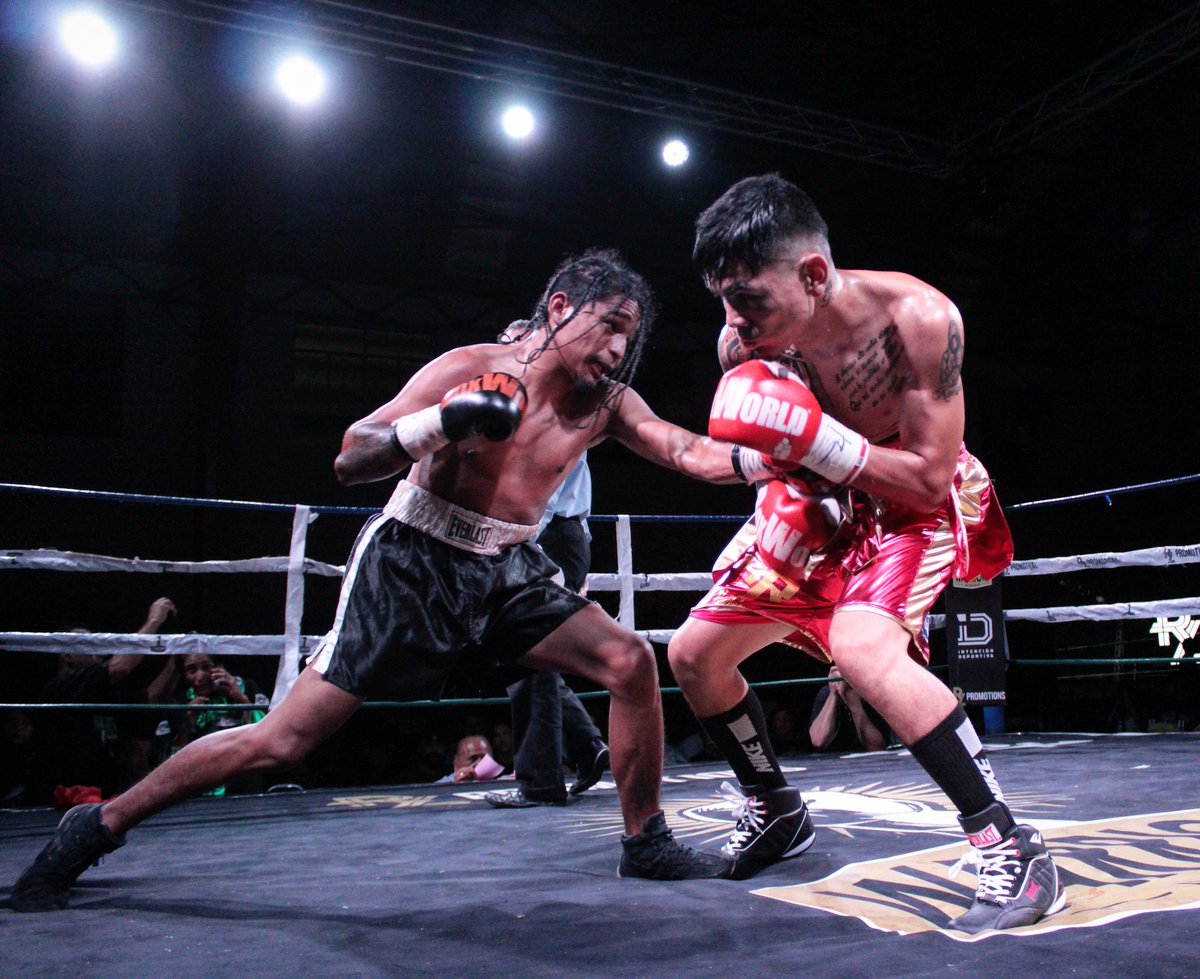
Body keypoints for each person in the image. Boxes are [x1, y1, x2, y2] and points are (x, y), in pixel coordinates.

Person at [12, 248, 748, 913]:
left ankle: (645, 840)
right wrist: (442, 423)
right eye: (610, 324)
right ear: (560, 308)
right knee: (281, 741)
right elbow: (352, 453)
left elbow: (687, 452)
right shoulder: (469, 366)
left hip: (507, 567)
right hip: (412, 562)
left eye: (633, 334)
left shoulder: (607, 405)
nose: (620, 347)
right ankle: (99, 822)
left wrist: (787, 454)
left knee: (628, 661)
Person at [666, 175, 1063, 933]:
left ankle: (1010, 841)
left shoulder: (918, 320)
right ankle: (777, 806)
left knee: (861, 647)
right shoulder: (745, 341)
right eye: (724, 299)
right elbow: (772, 451)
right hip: (819, 498)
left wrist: (819, 443)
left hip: (912, 500)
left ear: (813, 275)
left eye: (749, 300)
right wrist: (785, 464)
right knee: (693, 654)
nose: (733, 324)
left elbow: (926, 475)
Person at [486, 447, 609, 809]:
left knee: (528, 653)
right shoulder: (560, 407)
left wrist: (524, 546)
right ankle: (586, 745)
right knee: (522, 652)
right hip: (558, 536)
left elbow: (547, 487)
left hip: (544, 535)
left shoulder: (554, 412)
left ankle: (541, 781)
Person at [37, 597, 180, 800]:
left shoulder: (99, 691)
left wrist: (178, 655)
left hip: (100, 796)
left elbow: (151, 697)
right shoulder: (61, 688)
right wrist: (154, 621)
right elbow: (121, 667)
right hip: (63, 798)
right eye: (90, 646)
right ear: (67, 654)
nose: (99, 652)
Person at [156, 653, 269, 797]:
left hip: (243, 787)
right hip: (198, 792)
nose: (200, 677)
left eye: (206, 667)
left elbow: (267, 735)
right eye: (192, 670)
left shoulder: (247, 688)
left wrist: (241, 699)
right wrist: (187, 725)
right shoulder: (177, 704)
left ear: (219, 667)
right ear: (184, 675)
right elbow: (165, 765)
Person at [807, 665, 891, 752]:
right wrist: (833, 694)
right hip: (833, 760)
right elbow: (818, 741)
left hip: (869, 761)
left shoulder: (873, 694)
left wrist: (854, 705)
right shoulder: (826, 693)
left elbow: (877, 747)